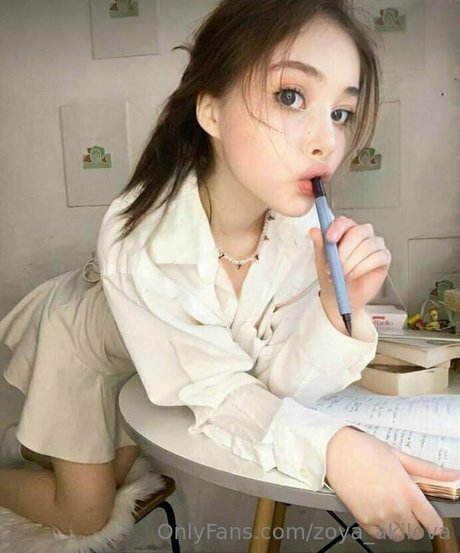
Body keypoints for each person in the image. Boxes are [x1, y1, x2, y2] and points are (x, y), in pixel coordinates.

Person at [1, 0, 459, 543]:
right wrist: (331, 449)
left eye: (341, 112)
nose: (327, 142)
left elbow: (272, 382)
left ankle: (55, 449)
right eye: (290, 96)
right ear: (211, 112)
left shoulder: (300, 230)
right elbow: (220, 394)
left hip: (153, 363)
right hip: (85, 343)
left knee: (117, 469)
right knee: (85, 514)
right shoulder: (139, 234)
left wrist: (338, 307)